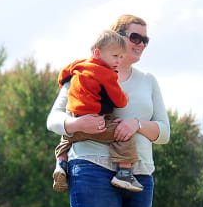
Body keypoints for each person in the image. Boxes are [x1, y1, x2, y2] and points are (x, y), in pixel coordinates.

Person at [46, 14, 170, 207]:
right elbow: (53, 119)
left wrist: (136, 124)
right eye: (134, 37)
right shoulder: (83, 72)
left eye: (145, 40)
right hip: (92, 168)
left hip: (139, 174)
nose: (140, 44)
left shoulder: (148, 80)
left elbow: (164, 132)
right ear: (117, 37)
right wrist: (79, 123)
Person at [52, 30, 141, 193]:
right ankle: (124, 173)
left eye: (121, 57)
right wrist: (125, 97)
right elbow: (119, 101)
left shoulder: (79, 65)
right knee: (124, 134)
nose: (118, 61)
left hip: (75, 121)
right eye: (115, 56)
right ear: (98, 53)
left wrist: (63, 83)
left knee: (65, 137)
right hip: (97, 124)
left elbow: (64, 73)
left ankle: (61, 163)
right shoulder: (107, 75)